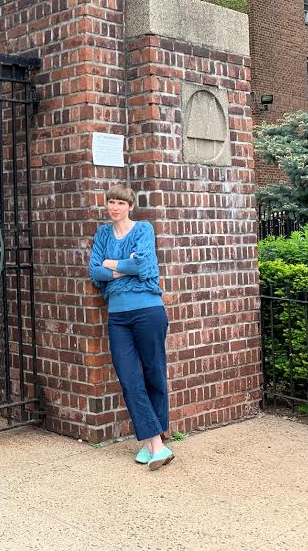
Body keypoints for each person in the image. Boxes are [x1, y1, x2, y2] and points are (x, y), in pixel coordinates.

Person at [88, 184, 173, 471]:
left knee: (154, 372)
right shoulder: (102, 233)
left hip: (148, 311)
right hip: (118, 317)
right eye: (111, 202)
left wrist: (111, 266)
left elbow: (145, 267)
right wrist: (123, 267)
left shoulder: (143, 230)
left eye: (120, 203)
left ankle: (154, 442)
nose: (115, 207)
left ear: (130, 206)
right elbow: (94, 271)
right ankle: (157, 445)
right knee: (128, 378)